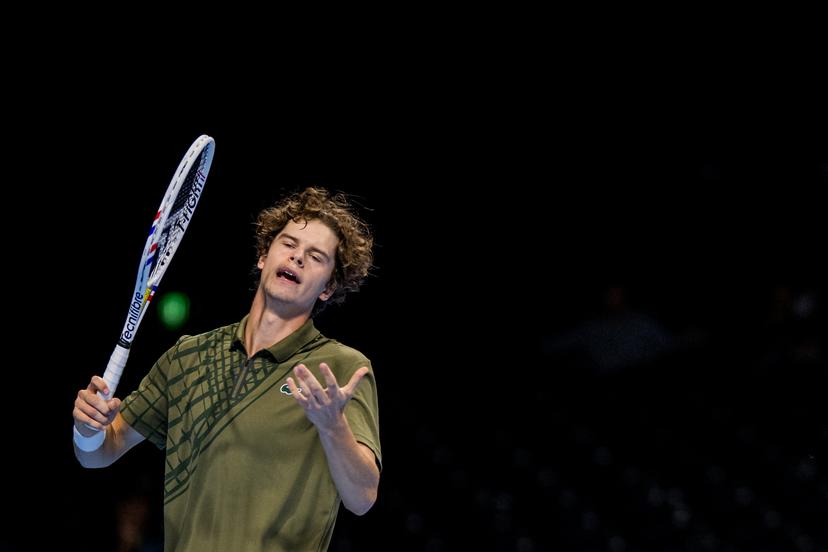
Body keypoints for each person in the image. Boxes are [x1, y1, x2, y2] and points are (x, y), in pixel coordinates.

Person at [73, 187, 382, 551]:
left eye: (315, 256)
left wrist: (333, 427)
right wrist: (87, 428)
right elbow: (99, 453)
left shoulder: (341, 368)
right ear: (264, 257)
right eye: (289, 244)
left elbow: (362, 497)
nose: (298, 257)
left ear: (328, 288)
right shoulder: (188, 356)